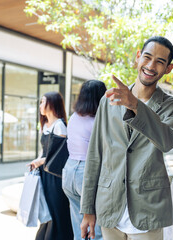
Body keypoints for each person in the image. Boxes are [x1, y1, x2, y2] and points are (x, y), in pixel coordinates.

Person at [80, 36, 173, 240]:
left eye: (160, 62)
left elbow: (167, 142)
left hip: (148, 211)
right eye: (147, 57)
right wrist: (87, 209)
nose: (151, 66)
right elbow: (95, 155)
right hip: (109, 207)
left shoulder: (172, 106)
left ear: (168, 69)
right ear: (137, 57)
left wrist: (135, 105)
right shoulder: (108, 101)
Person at [62, 80, 106, 240]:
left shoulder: (74, 117)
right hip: (87, 175)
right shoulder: (98, 122)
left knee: (79, 228)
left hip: (69, 172)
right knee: (97, 231)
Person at [29, 91, 73, 240]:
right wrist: (36, 161)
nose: (40, 105)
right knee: (46, 211)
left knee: (56, 211)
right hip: (44, 174)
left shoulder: (60, 126)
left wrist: (40, 161)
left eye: (43, 102)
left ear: (52, 104)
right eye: (40, 102)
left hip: (55, 177)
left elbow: (61, 155)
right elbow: (44, 152)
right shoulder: (45, 125)